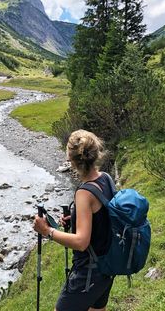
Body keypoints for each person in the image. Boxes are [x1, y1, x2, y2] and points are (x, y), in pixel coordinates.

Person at [33, 129, 115, 311]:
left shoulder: (84, 193)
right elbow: (103, 216)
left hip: (88, 272)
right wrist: (77, 218)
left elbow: (81, 242)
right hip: (107, 267)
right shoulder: (106, 179)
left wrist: (47, 231)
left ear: (71, 159)